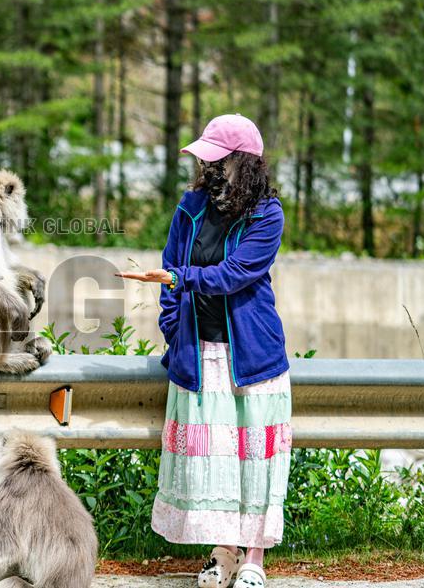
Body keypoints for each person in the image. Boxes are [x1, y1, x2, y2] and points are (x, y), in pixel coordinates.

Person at [120, 114, 291, 588]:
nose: (208, 166)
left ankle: (254, 557)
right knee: (214, 460)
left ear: (245, 163)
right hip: (199, 353)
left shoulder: (268, 214)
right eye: (206, 159)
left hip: (252, 357)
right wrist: (173, 327)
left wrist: (181, 278)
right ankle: (224, 552)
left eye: (218, 159)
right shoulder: (190, 206)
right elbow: (169, 268)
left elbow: (235, 274)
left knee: (253, 459)